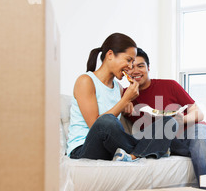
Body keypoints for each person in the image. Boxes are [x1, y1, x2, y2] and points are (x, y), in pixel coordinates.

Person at [66, 33, 176, 162]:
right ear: (110, 55)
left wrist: (126, 104)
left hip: (111, 149)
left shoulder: (118, 88)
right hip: (83, 149)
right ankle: (151, 149)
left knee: (168, 122)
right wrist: (125, 100)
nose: (130, 67)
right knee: (107, 121)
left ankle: (133, 156)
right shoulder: (85, 81)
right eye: (128, 60)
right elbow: (96, 126)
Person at [125, 48, 206, 188]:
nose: (135, 71)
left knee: (201, 143)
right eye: (131, 67)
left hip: (190, 130)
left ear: (148, 68)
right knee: (195, 148)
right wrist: (125, 102)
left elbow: (198, 113)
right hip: (167, 142)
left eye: (140, 66)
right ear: (125, 72)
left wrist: (182, 119)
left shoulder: (169, 85)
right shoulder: (125, 95)